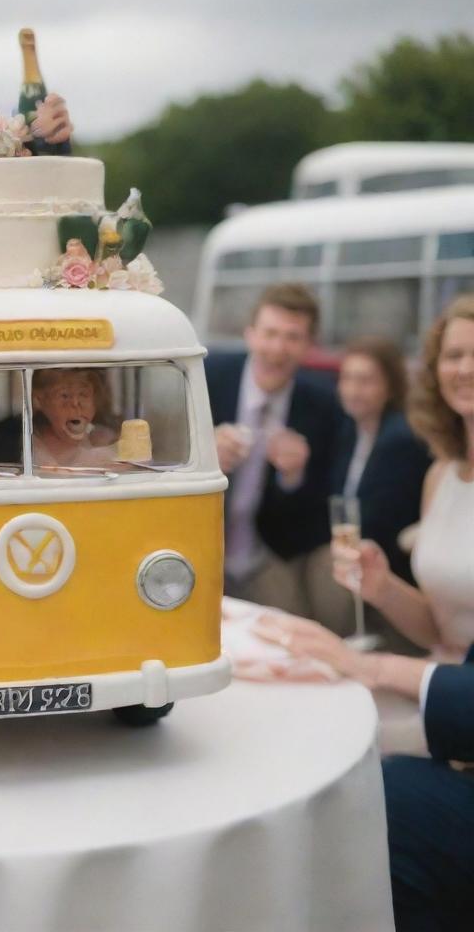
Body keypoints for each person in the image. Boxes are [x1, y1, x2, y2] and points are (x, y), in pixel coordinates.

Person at [254, 293, 474, 931]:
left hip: (455, 711)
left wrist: (362, 664)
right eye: (455, 355)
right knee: (294, 715)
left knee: (337, 779)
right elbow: (439, 624)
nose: (465, 368)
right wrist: (382, 589)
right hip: (440, 679)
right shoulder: (442, 476)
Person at [205, 283, 341, 614]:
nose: (278, 348)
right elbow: (163, 448)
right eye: (270, 333)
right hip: (201, 541)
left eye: (292, 337)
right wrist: (205, 455)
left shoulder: (322, 404)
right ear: (250, 334)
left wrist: (293, 477)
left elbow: (322, 505)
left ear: (309, 345)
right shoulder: (208, 376)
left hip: (268, 552)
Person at [308, 338, 433, 638]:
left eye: (365, 381)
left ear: (390, 387)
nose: (352, 390)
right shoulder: (352, 429)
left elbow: (382, 521)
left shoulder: (400, 438)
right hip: (357, 546)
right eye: (347, 379)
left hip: (391, 560)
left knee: (323, 565)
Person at [30, 368, 116, 469]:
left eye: (83, 394)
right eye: (64, 395)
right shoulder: (31, 446)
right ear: (39, 401)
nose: (75, 403)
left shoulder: (102, 437)